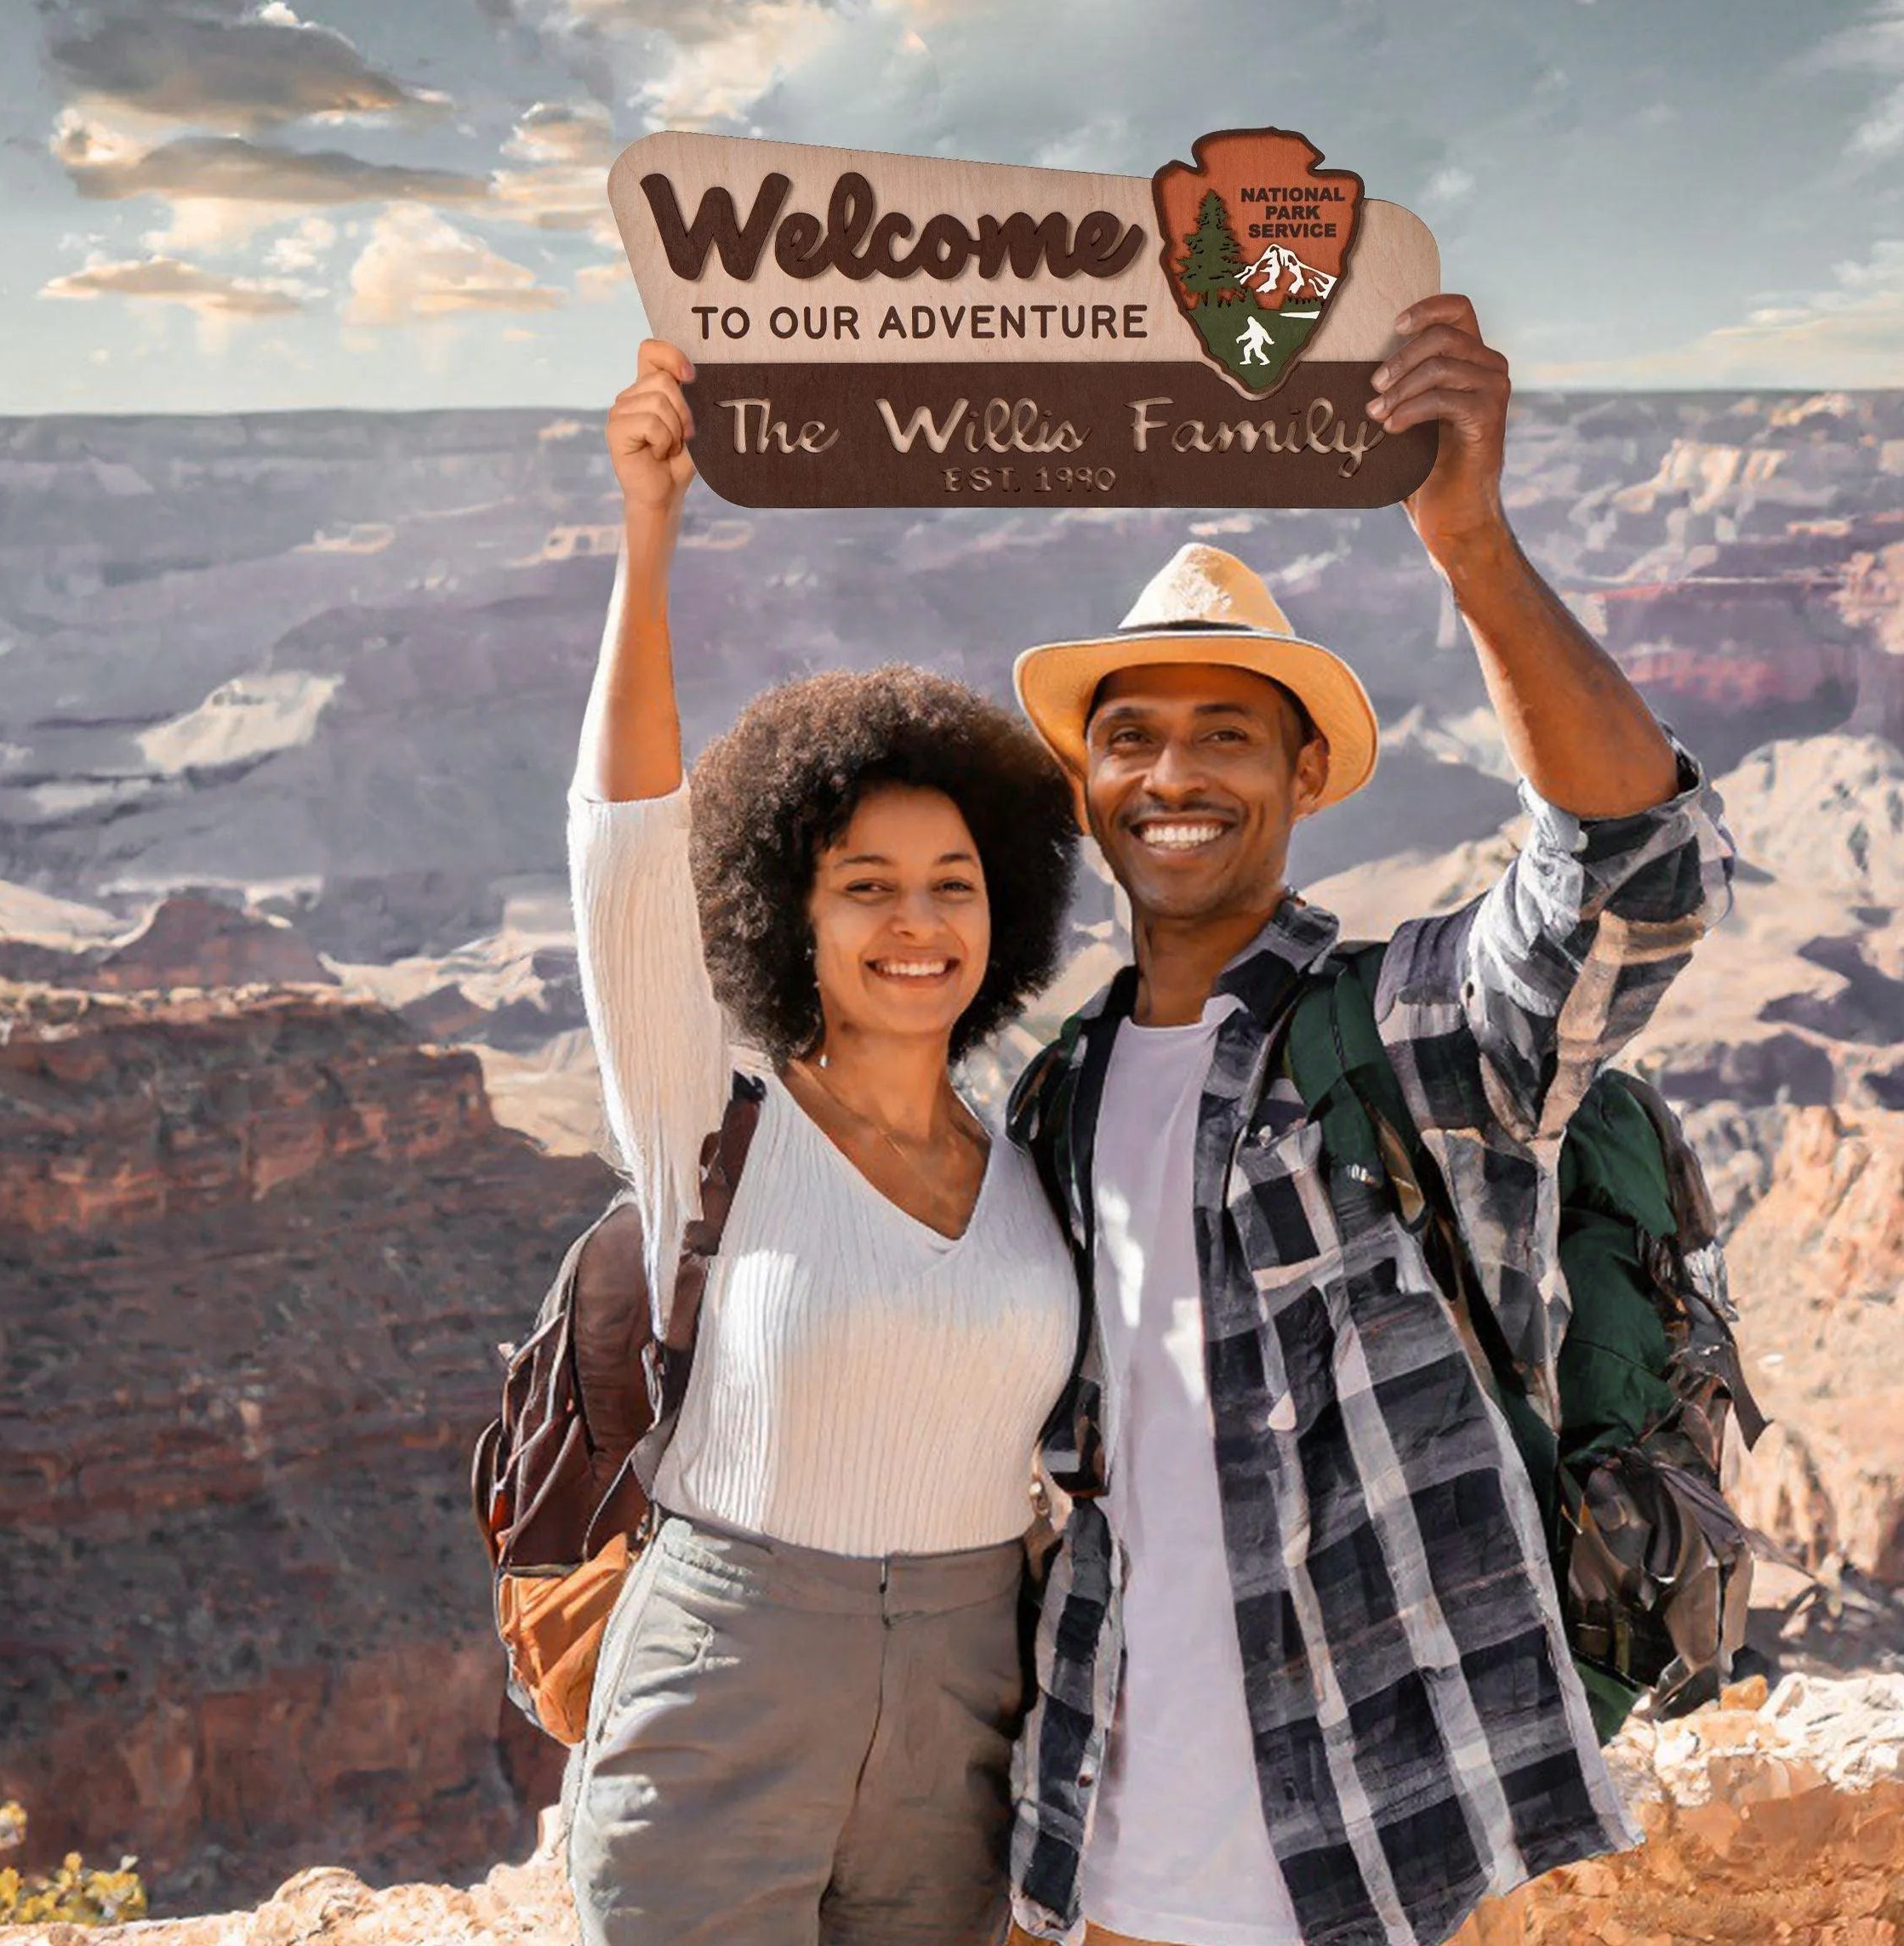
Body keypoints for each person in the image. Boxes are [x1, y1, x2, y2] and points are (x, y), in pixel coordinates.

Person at [1000, 294, 1736, 1946]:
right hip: (1088, 1871)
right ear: (1084, 786)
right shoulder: (1053, 1100)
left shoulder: (1393, 1033)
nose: (1171, 772)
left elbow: (1634, 879)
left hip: (1376, 1861)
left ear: (1305, 777)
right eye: (1131, 736)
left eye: (1225, 734)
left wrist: (1471, 544)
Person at [564, 338, 1086, 1946]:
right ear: (792, 913)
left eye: (954, 883)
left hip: (968, 1706)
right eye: (866, 885)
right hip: (727, 1679)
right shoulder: (708, 1121)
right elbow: (622, 855)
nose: (917, 925)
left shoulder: (1034, 1168)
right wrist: (647, 539)